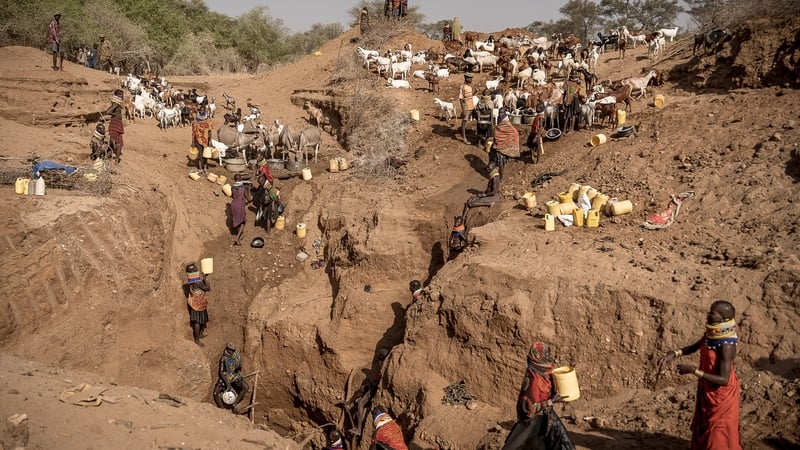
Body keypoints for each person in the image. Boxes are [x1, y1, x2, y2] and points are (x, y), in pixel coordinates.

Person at [657, 300, 741, 450]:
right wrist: (674, 354)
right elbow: (696, 346)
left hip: (721, 395)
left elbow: (724, 380)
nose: (708, 314)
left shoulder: (726, 345)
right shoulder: (712, 334)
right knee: (705, 427)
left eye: (712, 313)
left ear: (724, 318)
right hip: (707, 389)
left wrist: (693, 371)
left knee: (717, 433)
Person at [502, 342, 575, 450]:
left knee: (563, 443)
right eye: (546, 355)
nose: (551, 358)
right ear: (538, 358)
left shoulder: (542, 374)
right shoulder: (534, 381)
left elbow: (546, 393)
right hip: (532, 423)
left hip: (545, 415)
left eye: (549, 354)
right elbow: (527, 409)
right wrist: (550, 402)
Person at [347, 349, 390, 437]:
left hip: (375, 388)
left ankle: (359, 429)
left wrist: (373, 383)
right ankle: (348, 403)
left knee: (360, 403)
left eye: (380, 356)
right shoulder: (383, 363)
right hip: (374, 384)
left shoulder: (385, 365)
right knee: (361, 389)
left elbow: (381, 381)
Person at [213, 342, 250, 411]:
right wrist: (227, 384)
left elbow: (238, 367)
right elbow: (221, 372)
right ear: (227, 349)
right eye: (230, 350)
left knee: (246, 387)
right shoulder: (223, 358)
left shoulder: (236, 356)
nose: (232, 351)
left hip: (233, 375)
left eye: (233, 350)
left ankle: (235, 403)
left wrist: (238, 366)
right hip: (225, 376)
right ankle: (222, 409)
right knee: (215, 393)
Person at [185, 263, 210, 347]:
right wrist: (205, 280)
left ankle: (200, 335)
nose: (197, 270)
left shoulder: (193, 281)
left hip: (196, 303)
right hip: (198, 305)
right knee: (198, 322)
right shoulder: (198, 282)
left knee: (201, 320)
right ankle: (197, 339)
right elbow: (208, 288)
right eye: (196, 269)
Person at [102, 89, 124, 165]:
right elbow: (108, 112)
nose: (122, 96)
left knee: (115, 141)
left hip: (117, 123)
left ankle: (108, 156)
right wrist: (113, 115)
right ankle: (116, 161)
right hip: (115, 123)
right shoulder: (116, 104)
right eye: (121, 94)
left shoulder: (116, 103)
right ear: (118, 95)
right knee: (118, 142)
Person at [230, 174, 253, 246]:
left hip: (233, 205)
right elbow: (249, 198)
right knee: (243, 222)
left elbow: (233, 196)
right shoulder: (243, 187)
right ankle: (237, 238)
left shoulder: (233, 187)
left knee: (238, 221)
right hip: (240, 206)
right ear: (240, 179)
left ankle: (240, 235)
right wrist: (248, 189)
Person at [191, 104, 213, 173]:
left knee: (206, 155)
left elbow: (209, 132)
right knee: (200, 155)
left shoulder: (208, 123)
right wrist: (193, 142)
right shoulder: (195, 123)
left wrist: (210, 140)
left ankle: (205, 168)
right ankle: (200, 168)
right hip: (198, 140)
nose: (202, 111)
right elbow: (193, 133)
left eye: (203, 110)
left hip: (206, 140)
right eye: (201, 110)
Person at [458, 73, 475, 144]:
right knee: (464, 122)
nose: (471, 80)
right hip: (467, 107)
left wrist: (475, 92)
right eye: (470, 78)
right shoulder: (463, 87)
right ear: (466, 78)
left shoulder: (469, 87)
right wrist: (463, 110)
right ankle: (464, 138)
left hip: (471, 106)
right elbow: (461, 99)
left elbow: (470, 96)